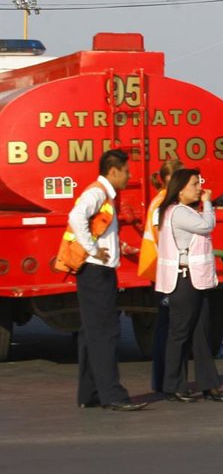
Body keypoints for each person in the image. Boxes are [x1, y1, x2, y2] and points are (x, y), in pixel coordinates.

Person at [63, 149, 146, 411]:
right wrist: (92, 249)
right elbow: (76, 217)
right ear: (113, 171)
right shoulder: (97, 193)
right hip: (96, 272)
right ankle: (113, 395)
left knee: (91, 334)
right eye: (126, 171)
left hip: (96, 272)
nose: (129, 176)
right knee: (106, 333)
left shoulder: (104, 194)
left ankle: (89, 393)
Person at [155, 169, 223, 402]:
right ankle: (173, 385)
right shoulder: (178, 212)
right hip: (183, 280)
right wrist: (208, 203)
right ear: (180, 189)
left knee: (201, 333)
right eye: (194, 184)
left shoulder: (184, 211)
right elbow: (207, 225)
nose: (199, 188)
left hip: (196, 279)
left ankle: (209, 385)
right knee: (180, 333)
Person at [138, 158, 184, 393]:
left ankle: (165, 380)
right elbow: (163, 238)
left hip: (163, 271)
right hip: (163, 272)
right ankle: (164, 381)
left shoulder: (166, 201)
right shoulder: (162, 204)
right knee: (167, 329)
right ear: (168, 179)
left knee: (166, 327)